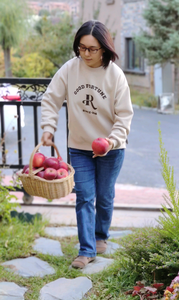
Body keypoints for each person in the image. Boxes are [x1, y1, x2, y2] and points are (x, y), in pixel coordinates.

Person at [40, 20, 134, 269]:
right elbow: (50, 99)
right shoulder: (70, 69)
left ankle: (101, 235)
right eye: (82, 48)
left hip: (111, 148)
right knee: (84, 196)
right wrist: (48, 129)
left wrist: (111, 140)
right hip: (80, 147)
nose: (86, 54)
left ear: (104, 48)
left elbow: (124, 115)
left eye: (92, 49)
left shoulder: (115, 75)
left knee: (104, 196)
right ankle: (86, 249)